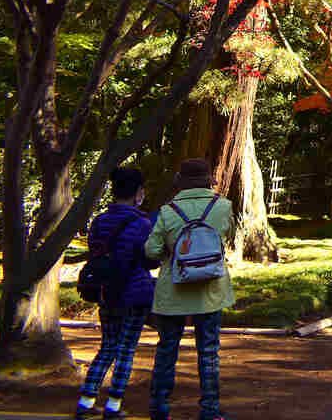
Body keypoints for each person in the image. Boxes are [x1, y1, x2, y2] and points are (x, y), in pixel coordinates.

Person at [146, 158, 235, 420]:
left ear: (180, 182)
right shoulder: (223, 207)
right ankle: (210, 409)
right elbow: (225, 239)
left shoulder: (167, 211)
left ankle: (159, 408)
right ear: (209, 180)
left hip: (172, 292)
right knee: (208, 352)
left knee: (167, 350)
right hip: (210, 291)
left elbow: (151, 250)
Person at [75, 167, 157, 420]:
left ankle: (86, 402)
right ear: (138, 194)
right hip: (135, 293)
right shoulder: (143, 223)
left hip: (106, 293)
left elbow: (96, 253)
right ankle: (113, 405)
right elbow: (149, 258)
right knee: (126, 350)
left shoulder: (100, 222)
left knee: (107, 347)